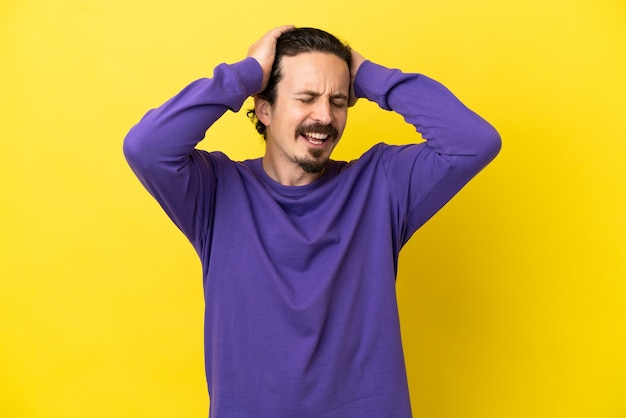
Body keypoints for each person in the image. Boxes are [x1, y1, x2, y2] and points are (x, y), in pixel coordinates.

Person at [123, 25, 501, 417]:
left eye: (338, 101)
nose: (325, 116)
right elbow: (146, 147)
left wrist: (367, 74)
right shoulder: (216, 191)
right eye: (306, 98)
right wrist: (248, 72)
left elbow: (474, 142)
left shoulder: (382, 185)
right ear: (264, 109)